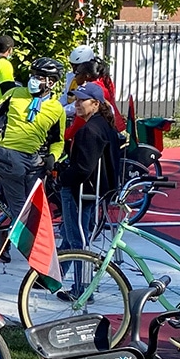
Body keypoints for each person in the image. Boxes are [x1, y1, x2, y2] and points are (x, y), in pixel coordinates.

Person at [0, 57, 66, 262]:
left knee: (33, 212)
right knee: (20, 212)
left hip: (35, 163)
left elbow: (57, 141)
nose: (33, 80)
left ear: (51, 82)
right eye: (33, 75)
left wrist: (53, 156)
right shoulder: (15, 94)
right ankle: (37, 262)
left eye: (39, 77)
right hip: (8, 156)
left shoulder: (57, 109)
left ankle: (4, 236)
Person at [57, 82, 122, 256]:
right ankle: (54, 278)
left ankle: (80, 283)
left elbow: (83, 168)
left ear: (96, 104)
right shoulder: (106, 125)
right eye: (76, 100)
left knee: (76, 240)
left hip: (80, 189)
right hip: (97, 188)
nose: (77, 104)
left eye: (82, 100)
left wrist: (61, 179)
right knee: (69, 234)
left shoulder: (89, 130)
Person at [65, 58, 125, 140]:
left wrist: (63, 135)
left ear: (87, 76)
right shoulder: (102, 83)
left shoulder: (92, 90)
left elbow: (77, 120)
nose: (75, 77)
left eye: (77, 74)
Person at [59, 43, 96, 121]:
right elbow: (66, 96)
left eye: (77, 65)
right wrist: (56, 107)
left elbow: (82, 104)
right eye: (72, 65)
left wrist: (61, 111)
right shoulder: (71, 77)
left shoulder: (95, 82)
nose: (74, 69)